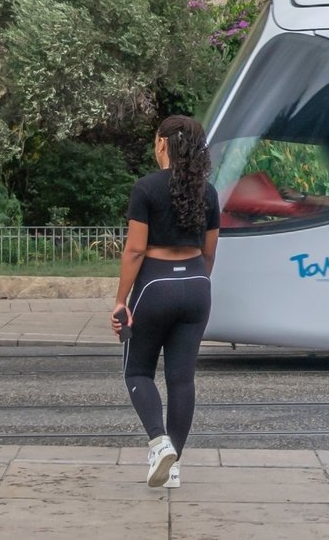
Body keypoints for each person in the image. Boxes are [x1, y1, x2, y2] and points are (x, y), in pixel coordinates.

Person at [111, 114, 220, 488]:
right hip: (196, 287)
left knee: (137, 371)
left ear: (162, 144)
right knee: (181, 379)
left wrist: (121, 301)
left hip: (154, 286)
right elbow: (209, 254)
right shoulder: (208, 192)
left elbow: (135, 250)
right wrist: (194, 286)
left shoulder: (145, 188)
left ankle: (159, 443)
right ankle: (173, 466)